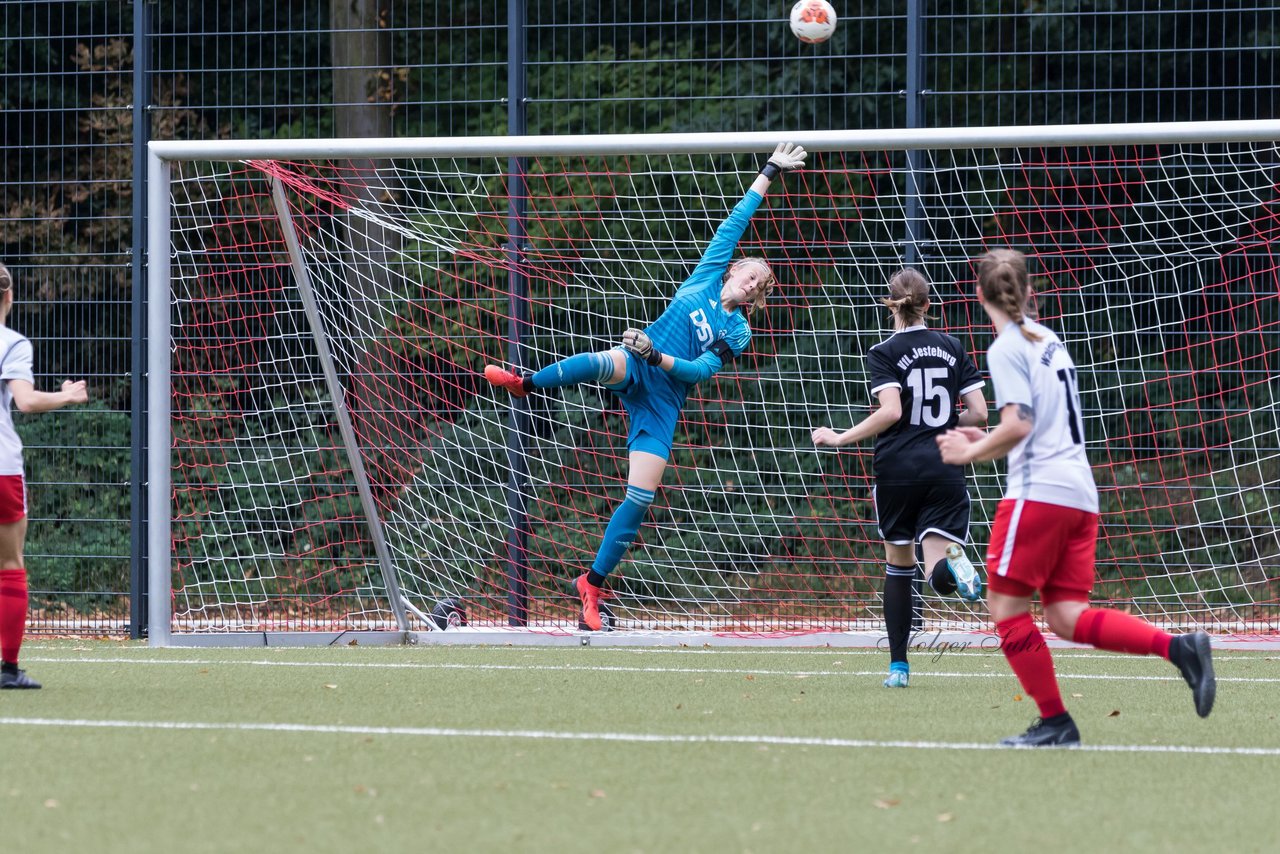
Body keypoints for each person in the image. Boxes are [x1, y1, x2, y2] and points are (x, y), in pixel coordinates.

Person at [484, 143, 808, 630]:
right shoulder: (704, 277)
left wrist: (657, 356)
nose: (754, 285)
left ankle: (591, 585)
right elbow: (737, 219)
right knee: (603, 361)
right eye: (752, 274)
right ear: (734, 268)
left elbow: (697, 372)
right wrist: (769, 172)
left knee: (638, 500)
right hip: (637, 362)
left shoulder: (738, 330)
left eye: (761, 287)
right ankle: (524, 382)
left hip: (662, 399)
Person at [936, 248, 1215, 746]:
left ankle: (1056, 723)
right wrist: (986, 440)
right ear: (1027, 291)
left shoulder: (1005, 348)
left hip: (1039, 495)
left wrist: (969, 455)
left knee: (1004, 608)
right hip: (1078, 493)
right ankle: (1180, 649)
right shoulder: (1049, 339)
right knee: (1065, 615)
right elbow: (1034, 426)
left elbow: (1019, 423)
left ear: (979, 295)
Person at [812, 268, 988, 688]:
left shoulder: (883, 351)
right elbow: (980, 413)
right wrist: (949, 419)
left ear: (889, 305)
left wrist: (840, 437)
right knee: (936, 574)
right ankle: (954, 566)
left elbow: (891, 411)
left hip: (897, 470)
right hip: (944, 465)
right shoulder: (952, 346)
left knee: (898, 567)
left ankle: (898, 668)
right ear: (929, 304)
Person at [0, 261, 89, 689]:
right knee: (10, 564)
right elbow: (26, 403)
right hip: (1, 467)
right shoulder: (12, 343)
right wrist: (68, 396)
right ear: (9, 297)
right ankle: (8, 670)